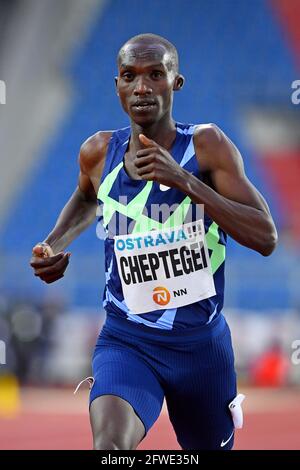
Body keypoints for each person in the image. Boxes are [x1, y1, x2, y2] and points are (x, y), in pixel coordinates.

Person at [30, 33, 278, 450]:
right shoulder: (98, 151)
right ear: (117, 86)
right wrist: (53, 244)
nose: (141, 87)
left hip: (202, 348)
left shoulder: (207, 147)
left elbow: (266, 236)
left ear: (176, 82)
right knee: (111, 447)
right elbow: (87, 199)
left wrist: (184, 181)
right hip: (128, 340)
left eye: (155, 75)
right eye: (129, 76)